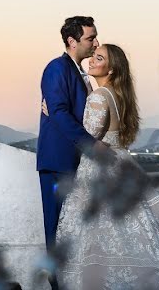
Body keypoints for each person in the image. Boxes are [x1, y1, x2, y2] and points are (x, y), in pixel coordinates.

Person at [55, 44, 159, 289]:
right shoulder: (117, 95)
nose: (92, 60)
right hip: (123, 163)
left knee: (97, 237)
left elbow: (88, 138)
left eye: (99, 58)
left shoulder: (98, 97)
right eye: (93, 56)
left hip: (101, 169)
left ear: (112, 69)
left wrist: (54, 116)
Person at [37, 16, 112, 282]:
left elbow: (68, 113)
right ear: (72, 41)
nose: (96, 43)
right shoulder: (56, 68)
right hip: (57, 163)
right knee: (56, 230)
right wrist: (92, 145)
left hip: (77, 165)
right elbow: (58, 112)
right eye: (90, 38)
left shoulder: (82, 76)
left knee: (74, 231)